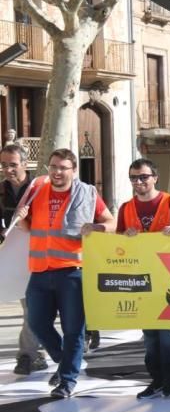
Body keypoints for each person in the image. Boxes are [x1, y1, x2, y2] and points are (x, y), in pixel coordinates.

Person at [15, 148, 116, 398]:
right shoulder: (37, 191)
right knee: (37, 323)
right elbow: (28, 227)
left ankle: (67, 381)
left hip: (72, 271)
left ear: (73, 170)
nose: (57, 172)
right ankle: (65, 363)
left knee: (74, 330)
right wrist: (21, 219)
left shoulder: (87, 193)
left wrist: (96, 226)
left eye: (63, 168)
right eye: (53, 167)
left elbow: (112, 224)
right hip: (39, 271)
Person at [116, 159, 170, 399]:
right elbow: (116, 243)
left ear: (155, 177)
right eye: (133, 178)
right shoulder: (126, 208)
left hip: (168, 279)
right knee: (149, 336)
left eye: (143, 177)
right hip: (140, 279)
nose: (138, 182)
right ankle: (156, 380)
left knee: (165, 334)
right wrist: (124, 237)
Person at [1, 144, 48, 376]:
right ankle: (30, 355)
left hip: (43, 256)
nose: (8, 169)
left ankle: (31, 354)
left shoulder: (40, 188)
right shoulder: (0, 191)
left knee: (38, 309)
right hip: (12, 261)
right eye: (3, 165)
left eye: (13, 164)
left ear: (25, 163)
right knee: (32, 308)